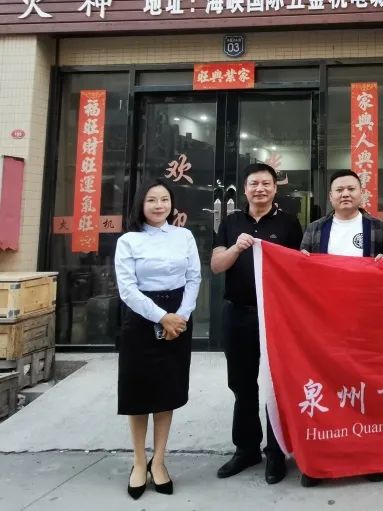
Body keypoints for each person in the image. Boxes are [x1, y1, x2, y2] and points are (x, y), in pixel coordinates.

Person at [298, 168, 383, 487]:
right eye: (339, 190)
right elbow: (301, 273)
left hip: (366, 325)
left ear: (361, 193)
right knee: (325, 388)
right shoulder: (315, 229)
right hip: (324, 324)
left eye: (351, 188)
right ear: (330, 196)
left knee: (366, 389)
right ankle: (320, 460)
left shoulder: (377, 228)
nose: (345, 194)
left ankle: (370, 456)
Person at [211, 163, 304, 484]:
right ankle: (246, 449)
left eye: (266, 183)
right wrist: (236, 247)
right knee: (242, 384)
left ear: (275, 188)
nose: (260, 189)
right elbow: (216, 265)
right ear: (245, 189)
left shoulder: (289, 223)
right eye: (254, 183)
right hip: (238, 314)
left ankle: (276, 453)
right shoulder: (231, 222)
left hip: (276, 316)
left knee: (276, 385)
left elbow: (300, 267)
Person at [115, 178, 200, 499]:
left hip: (179, 316)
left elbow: (194, 277)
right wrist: (162, 317)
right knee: (138, 393)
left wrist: (181, 317)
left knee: (167, 392)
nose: (159, 205)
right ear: (141, 204)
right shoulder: (129, 241)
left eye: (164, 199)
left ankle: (159, 460)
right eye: (152, 200)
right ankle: (139, 462)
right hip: (141, 318)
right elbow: (127, 289)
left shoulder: (184, 236)